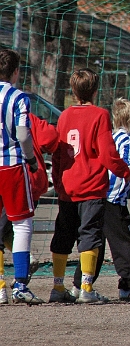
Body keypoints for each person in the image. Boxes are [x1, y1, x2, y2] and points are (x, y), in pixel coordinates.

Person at [49, 68, 130, 304]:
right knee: (90, 235)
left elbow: (58, 152)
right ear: (96, 90)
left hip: (67, 187)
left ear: (73, 91)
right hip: (91, 187)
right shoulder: (99, 115)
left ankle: (57, 287)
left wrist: (58, 180)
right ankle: (86, 287)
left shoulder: (64, 115)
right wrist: (124, 172)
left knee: (63, 235)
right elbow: (107, 152)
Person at [70, 98, 130, 301]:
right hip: (115, 200)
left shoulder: (112, 136)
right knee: (124, 244)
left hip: (101, 196)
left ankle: (79, 285)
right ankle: (128, 287)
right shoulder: (128, 140)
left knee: (96, 245)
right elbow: (126, 165)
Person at [0, 49, 48, 305]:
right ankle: (20, 284)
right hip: (12, 167)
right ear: (16, 72)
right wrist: (30, 160)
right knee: (21, 224)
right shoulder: (18, 97)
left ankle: (0, 287)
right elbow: (22, 134)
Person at [0, 112, 59, 304]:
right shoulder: (23, 112)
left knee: (5, 228)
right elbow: (51, 137)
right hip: (25, 178)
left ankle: (4, 287)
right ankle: (22, 275)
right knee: (16, 226)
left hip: (14, 176)